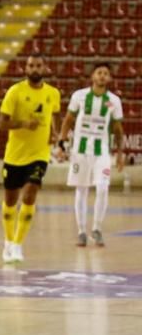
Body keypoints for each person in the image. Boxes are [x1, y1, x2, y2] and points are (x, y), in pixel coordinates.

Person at [0, 56, 61, 264]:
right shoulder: (15, 92)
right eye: (31, 65)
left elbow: (55, 115)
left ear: (45, 68)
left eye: (38, 65)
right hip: (15, 155)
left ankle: (17, 244)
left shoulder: (53, 93)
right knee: (10, 200)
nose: (34, 69)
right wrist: (23, 123)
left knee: (31, 192)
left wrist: (56, 134)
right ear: (25, 68)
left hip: (40, 154)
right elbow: (1, 124)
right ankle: (8, 240)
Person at [58, 62, 125, 247]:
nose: (102, 76)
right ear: (93, 76)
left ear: (110, 78)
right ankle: (81, 231)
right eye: (99, 72)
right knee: (81, 189)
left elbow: (118, 129)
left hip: (102, 151)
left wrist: (120, 153)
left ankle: (97, 229)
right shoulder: (79, 96)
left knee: (103, 187)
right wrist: (62, 144)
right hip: (80, 150)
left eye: (106, 73)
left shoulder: (114, 101)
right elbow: (68, 120)